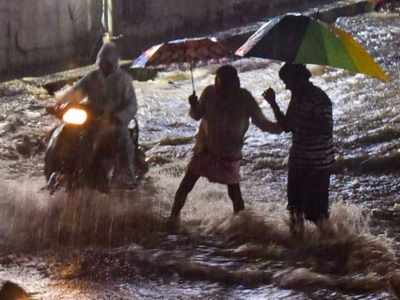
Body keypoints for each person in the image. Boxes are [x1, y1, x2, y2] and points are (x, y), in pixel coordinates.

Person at [169, 65, 282, 224]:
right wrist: (193, 105)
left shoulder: (244, 98)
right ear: (215, 81)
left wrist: (281, 127)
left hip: (229, 153)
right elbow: (197, 115)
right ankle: (173, 218)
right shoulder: (209, 93)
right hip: (206, 150)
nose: (223, 90)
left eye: (228, 85)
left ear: (236, 82)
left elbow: (262, 123)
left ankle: (242, 226)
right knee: (186, 185)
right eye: (220, 84)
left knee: (235, 194)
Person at [263, 63, 335, 236]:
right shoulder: (297, 97)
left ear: (299, 79)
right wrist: (273, 104)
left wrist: (302, 124)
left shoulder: (320, 98)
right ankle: (299, 250)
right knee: (295, 209)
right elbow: (287, 126)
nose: (286, 86)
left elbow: (326, 128)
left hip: (318, 162)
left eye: (287, 81)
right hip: (298, 159)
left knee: (316, 213)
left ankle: (333, 247)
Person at [55, 42, 138, 186]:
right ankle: (66, 170)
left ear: (113, 63)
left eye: (107, 63)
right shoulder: (92, 77)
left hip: (114, 122)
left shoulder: (124, 80)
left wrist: (119, 117)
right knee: (72, 135)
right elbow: (76, 92)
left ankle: (126, 176)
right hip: (92, 120)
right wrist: (60, 103)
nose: (104, 66)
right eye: (102, 63)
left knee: (124, 142)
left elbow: (132, 104)